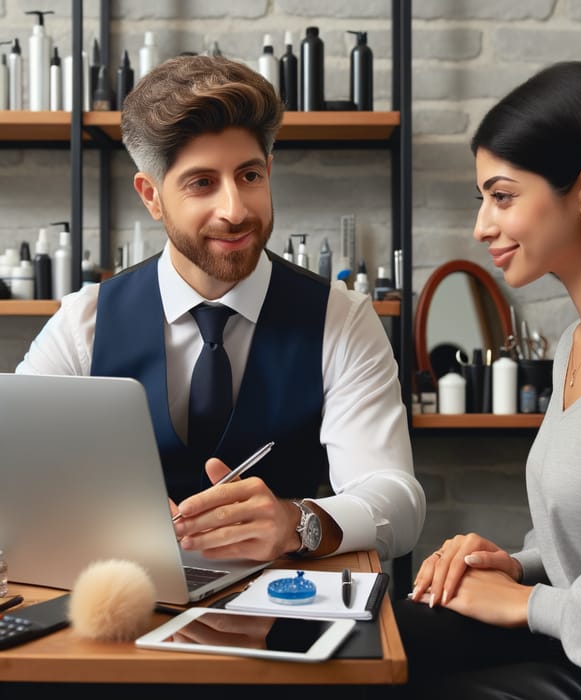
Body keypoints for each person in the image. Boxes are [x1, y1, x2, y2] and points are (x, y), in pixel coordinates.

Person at [16, 54, 425, 566]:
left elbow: (399, 502)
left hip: (288, 606)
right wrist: (87, 513)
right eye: (202, 183)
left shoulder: (340, 319)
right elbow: (14, 468)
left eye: (249, 176)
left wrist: (297, 521)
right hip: (128, 601)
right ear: (152, 196)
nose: (235, 210)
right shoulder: (84, 323)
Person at [393, 61, 581, 699]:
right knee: (376, 638)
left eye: (502, 196)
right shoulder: (575, 344)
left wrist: (524, 603)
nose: (481, 226)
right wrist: (515, 566)